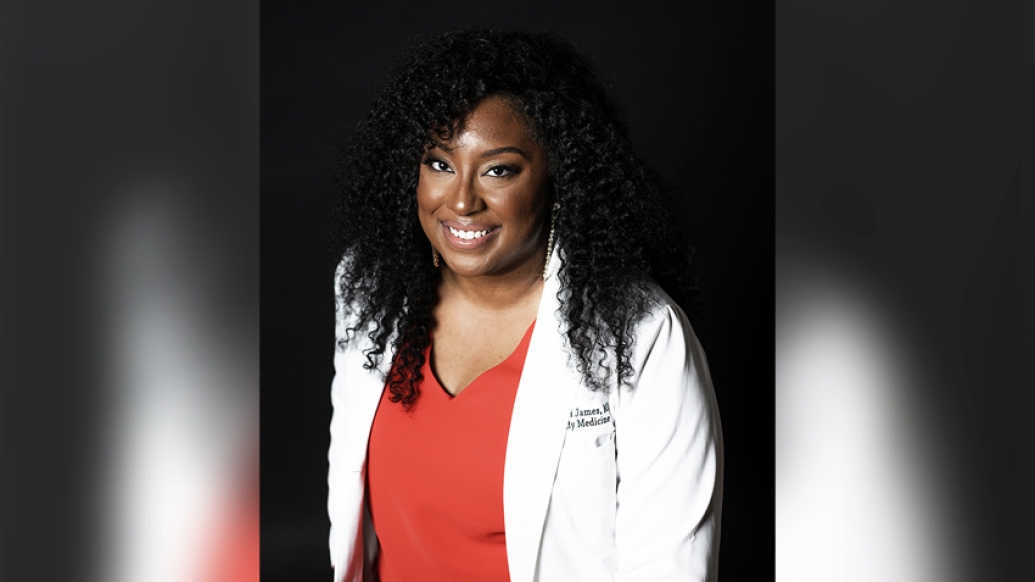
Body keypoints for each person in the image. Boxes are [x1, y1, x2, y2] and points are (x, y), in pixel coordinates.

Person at [328, 27, 722, 582]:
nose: (462, 199)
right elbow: (347, 485)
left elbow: (670, 564)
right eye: (440, 163)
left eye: (498, 170)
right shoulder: (369, 287)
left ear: (560, 175)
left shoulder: (641, 334)